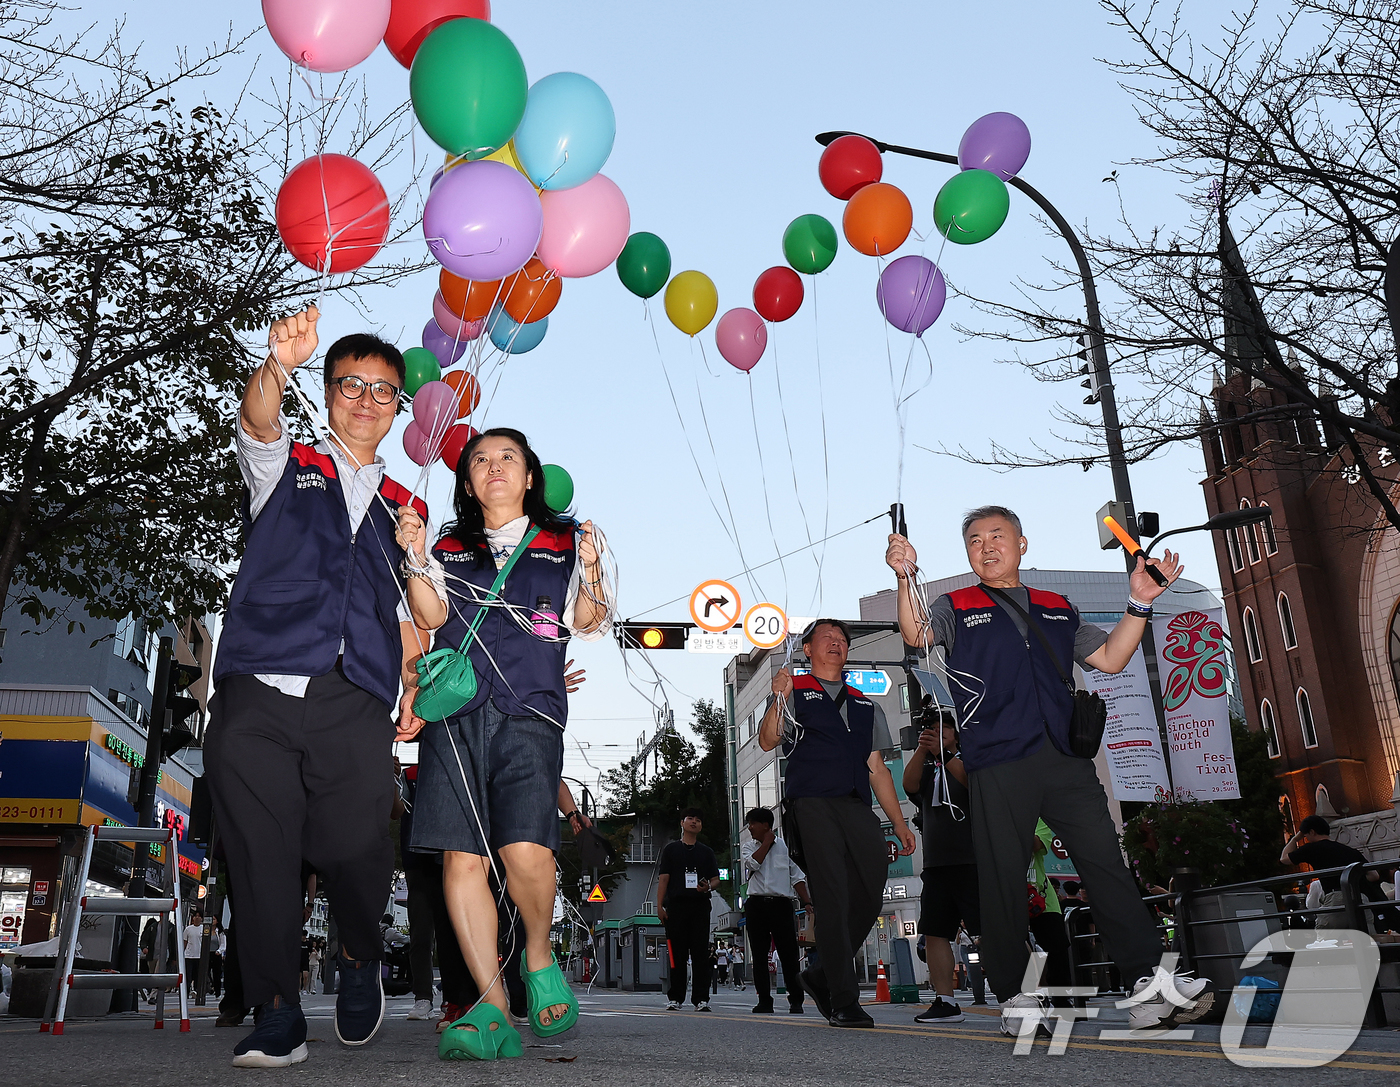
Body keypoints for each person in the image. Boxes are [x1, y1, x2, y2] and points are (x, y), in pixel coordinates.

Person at [887, 506, 1215, 1035]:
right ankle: (1015, 994)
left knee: (1106, 863)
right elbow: (918, 633)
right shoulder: (956, 604)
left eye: (998, 535)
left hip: (1065, 758)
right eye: (975, 539)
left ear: (1022, 543)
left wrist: (1139, 603)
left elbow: (1109, 658)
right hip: (997, 758)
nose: (987, 545)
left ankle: (1147, 984)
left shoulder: (1057, 607)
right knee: (1000, 877)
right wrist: (905, 577)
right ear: (967, 553)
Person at [206, 307, 430, 1068]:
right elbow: (257, 418)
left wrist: (413, 686)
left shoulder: (408, 508)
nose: (366, 400)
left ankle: (362, 951)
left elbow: (409, 613)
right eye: (351, 384)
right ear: (329, 390)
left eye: (383, 390)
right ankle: (277, 1010)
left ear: (400, 407)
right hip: (259, 685)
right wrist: (276, 366)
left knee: (356, 837)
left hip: (352, 694)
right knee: (260, 852)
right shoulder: (288, 464)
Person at [397, 427, 613, 1060]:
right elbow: (430, 617)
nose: (493, 468)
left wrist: (594, 571)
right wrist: (414, 555)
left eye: (507, 459)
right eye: (480, 461)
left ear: (528, 477)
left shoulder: (567, 542)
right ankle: (490, 1004)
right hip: (457, 714)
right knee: (460, 858)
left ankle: (537, 954)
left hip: (530, 710)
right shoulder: (446, 545)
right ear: (468, 482)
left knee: (525, 852)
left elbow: (590, 621)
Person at [757, 619, 916, 1028]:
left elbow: (877, 768)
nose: (836, 644)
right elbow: (767, 741)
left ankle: (821, 971)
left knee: (870, 892)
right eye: (827, 638)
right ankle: (844, 1000)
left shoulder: (865, 704)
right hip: (811, 804)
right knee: (831, 897)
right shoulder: (795, 691)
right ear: (807, 649)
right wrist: (778, 698)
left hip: (855, 806)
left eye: (842, 640)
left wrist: (899, 823)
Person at [902, 709, 978, 1024]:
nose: (937, 732)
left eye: (943, 729)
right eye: (931, 729)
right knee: (935, 933)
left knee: (991, 930)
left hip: (972, 860)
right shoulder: (930, 767)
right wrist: (923, 749)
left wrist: (944, 753)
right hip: (936, 864)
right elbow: (908, 785)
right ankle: (945, 1000)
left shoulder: (965, 760)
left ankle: (1024, 992)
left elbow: (969, 781)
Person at [741, 806, 811, 1015]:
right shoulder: (747, 846)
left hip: (781, 904)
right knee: (760, 955)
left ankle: (796, 1000)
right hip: (756, 904)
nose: (750, 828)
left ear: (765, 825)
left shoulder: (787, 847)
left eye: (753, 823)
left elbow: (797, 878)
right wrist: (766, 843)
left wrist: (807, 902)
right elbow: (752, 864)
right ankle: (764, 1000)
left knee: (789, 954)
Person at [656, 808, 722, 1012]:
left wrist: (708, 887)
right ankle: (675, 997)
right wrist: (659, 906)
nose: (694, 822)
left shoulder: (706, 852)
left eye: (698, 820)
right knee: (677, 954)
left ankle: (701, 999)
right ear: (682, 823)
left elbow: (716, 879)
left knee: (701, 953)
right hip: (676, 906)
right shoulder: (671, 850)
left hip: (700, 906)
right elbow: (664, 879)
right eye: (690, 819)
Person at [1281, 814, 1381, 929]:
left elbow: (1284, 859)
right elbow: (1374, 875)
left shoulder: (1312, 848)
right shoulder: (1349, 850)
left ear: (1312, 832)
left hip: (1335, 898)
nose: (1306, 838)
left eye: (1306, 835)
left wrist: (1295, 838)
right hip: (1359, 898)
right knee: (1365, 937)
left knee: (1324, 938)